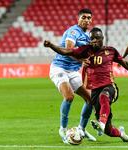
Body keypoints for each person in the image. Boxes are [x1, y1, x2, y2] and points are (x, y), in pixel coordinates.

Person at [44, 27, 128, 142]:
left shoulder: (111, 51)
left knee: (104, 96)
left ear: (102, 38)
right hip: (94, 91)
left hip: (110, 87)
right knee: (109, 130)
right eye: (92, 39)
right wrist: (51, 45)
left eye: (97, 38)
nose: (94, 41)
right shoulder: (85, 50)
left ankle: (99, 123)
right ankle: (121, 133)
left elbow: (125, 63)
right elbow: (65, 51)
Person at [48, 8, 96, 143]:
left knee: (91, 99)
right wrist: (81, 60)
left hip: (73, 71)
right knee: (69, 96)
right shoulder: (73, 31)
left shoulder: (87, 37)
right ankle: (62, 129)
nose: (86, 20)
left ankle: (82, 129)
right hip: (59, 68)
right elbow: (69, 50)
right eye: (84, 17)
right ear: (78, 19)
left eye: (88, 18)